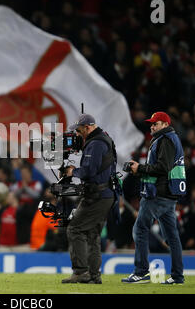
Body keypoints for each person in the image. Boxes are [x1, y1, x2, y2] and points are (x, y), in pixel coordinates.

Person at [122, 111, 186, 285]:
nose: (152, 126)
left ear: (165, 124)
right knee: (172, 237)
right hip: (168, 195)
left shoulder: (165, 140)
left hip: (158, 194)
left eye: (155, 123)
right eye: (151, 123)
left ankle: (141, 272)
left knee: (140, 229)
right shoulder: (170, 139)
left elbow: (162, 168)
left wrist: (140, 169)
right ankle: (177, 276)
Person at [61, 113, 117, 284]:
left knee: (75, 229)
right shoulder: (103, 138)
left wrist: (72, 171)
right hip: (104, 194)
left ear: (88, 127)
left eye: (78, 130)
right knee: (92, 234)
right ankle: (94, 276)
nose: (77, 134)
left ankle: (80, 272)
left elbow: (89, 171)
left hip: (98, 195)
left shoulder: (96, 143)